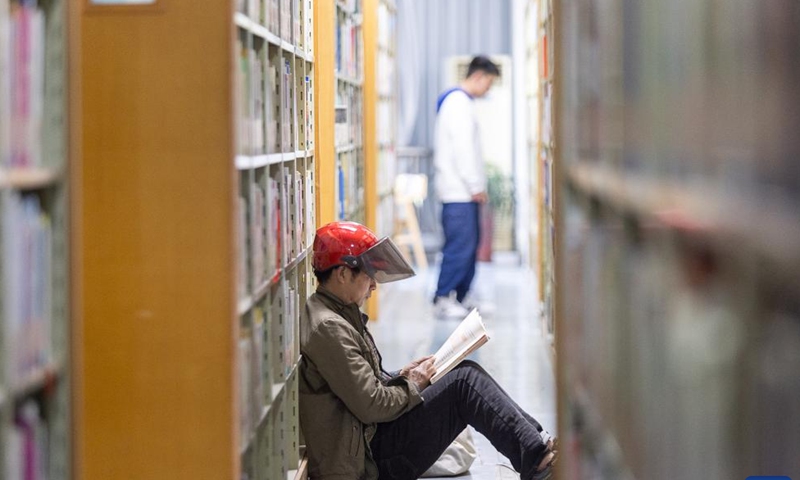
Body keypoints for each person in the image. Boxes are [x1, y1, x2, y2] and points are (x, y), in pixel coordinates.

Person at [299, 221, 557, 480]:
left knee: (463, 371)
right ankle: (538, 460)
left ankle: (538, 445)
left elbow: (359, 384)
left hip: (369, 438)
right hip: (371, 458)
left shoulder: (336, 311)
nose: (374, 286)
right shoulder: (330, 326)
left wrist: (403, 374)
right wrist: (412, 384)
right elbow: (372, 404)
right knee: (464, 383)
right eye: (368, 274)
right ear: (342, 274)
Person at [432, 55, 500, 319]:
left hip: (463, 192)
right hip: (458, 191)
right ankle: (443, 296)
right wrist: (475, 184)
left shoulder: (461, 103)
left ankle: (460, 295)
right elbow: (463, 150)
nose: (489, 89)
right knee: (459, 245)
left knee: (469, 245)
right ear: (478, 77)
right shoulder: (457, 104)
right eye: (489, 83)